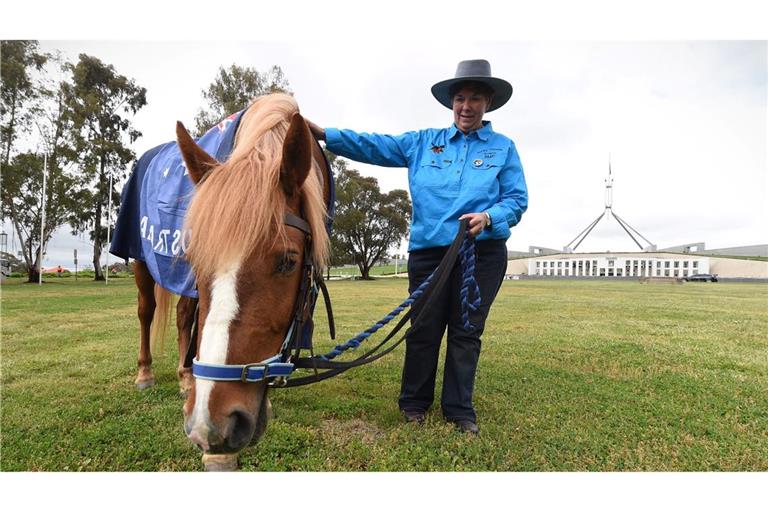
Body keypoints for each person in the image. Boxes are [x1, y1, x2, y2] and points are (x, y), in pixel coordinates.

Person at [308, 59, 528, 434]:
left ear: (487, 103)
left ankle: (460, 410)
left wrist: (489, 218)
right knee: (424, 328)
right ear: (451, 103)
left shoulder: (503, 149)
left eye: (475, 98)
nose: (467, 106)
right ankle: (414, 403)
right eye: (460, 98)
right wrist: (325, 133)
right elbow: (375, 145)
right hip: (429, 253)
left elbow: (516, 200)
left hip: (481, 254)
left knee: (466, 330)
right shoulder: (423, 143)